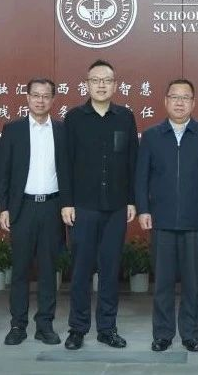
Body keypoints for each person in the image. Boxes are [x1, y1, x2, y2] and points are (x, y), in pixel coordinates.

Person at [135, 78, 198, 353]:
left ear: (193, 103)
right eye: (175, 97)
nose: (180, 102)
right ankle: (162, 334)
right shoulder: (151, 136)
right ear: (165, 101)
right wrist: (143, 209)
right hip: (161, 220)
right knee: (162, 282)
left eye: (185, 97)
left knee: (193, 283)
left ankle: (191, 334)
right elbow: (141, 177)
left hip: (195, 220)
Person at [62, 59, 138, 350]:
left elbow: (132, 161)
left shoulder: (125, 117)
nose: (101, 85)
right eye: (96, 80)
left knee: (110, 269)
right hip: (83, 207)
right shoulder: (74, 118)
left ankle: (107, 328)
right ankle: (77, 329)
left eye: (107, 80)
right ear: (87, 84)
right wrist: (67, 203)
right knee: (81, 271)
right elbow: (65, 163)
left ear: (115, 85)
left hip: (116, 207)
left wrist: (132, 200)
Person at [0, 78, 69, 347]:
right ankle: (18, 325)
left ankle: (45, 325)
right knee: (20, 270)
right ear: (27, 98)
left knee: (49, 270)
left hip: (52, 207)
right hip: (22, 208)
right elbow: (3, 172)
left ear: (53, 100)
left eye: (46, 96)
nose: (40, 100)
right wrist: (4, 207)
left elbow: (68, 172)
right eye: (35, 95)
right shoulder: (13, 130)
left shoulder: (62, 131)